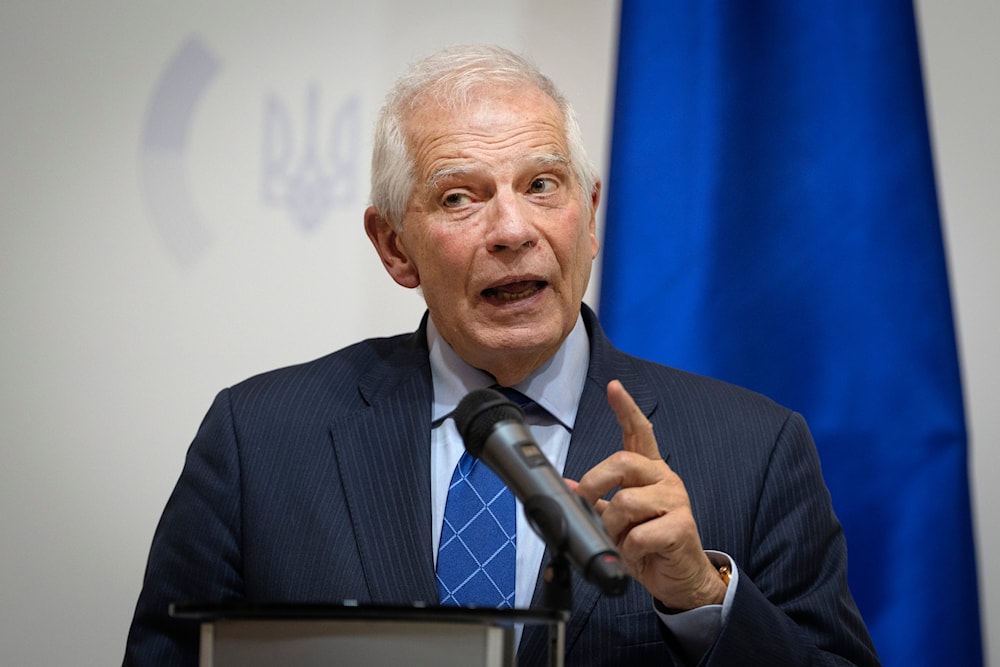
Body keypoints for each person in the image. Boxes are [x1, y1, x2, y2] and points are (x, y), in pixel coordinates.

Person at [124, 44, 880, 666]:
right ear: (394, 245)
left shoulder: (756, 448)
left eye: (542, 185)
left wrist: (704, 598)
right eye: (460, 197)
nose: (512, 229)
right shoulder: (258, 439)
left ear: (588, 216)